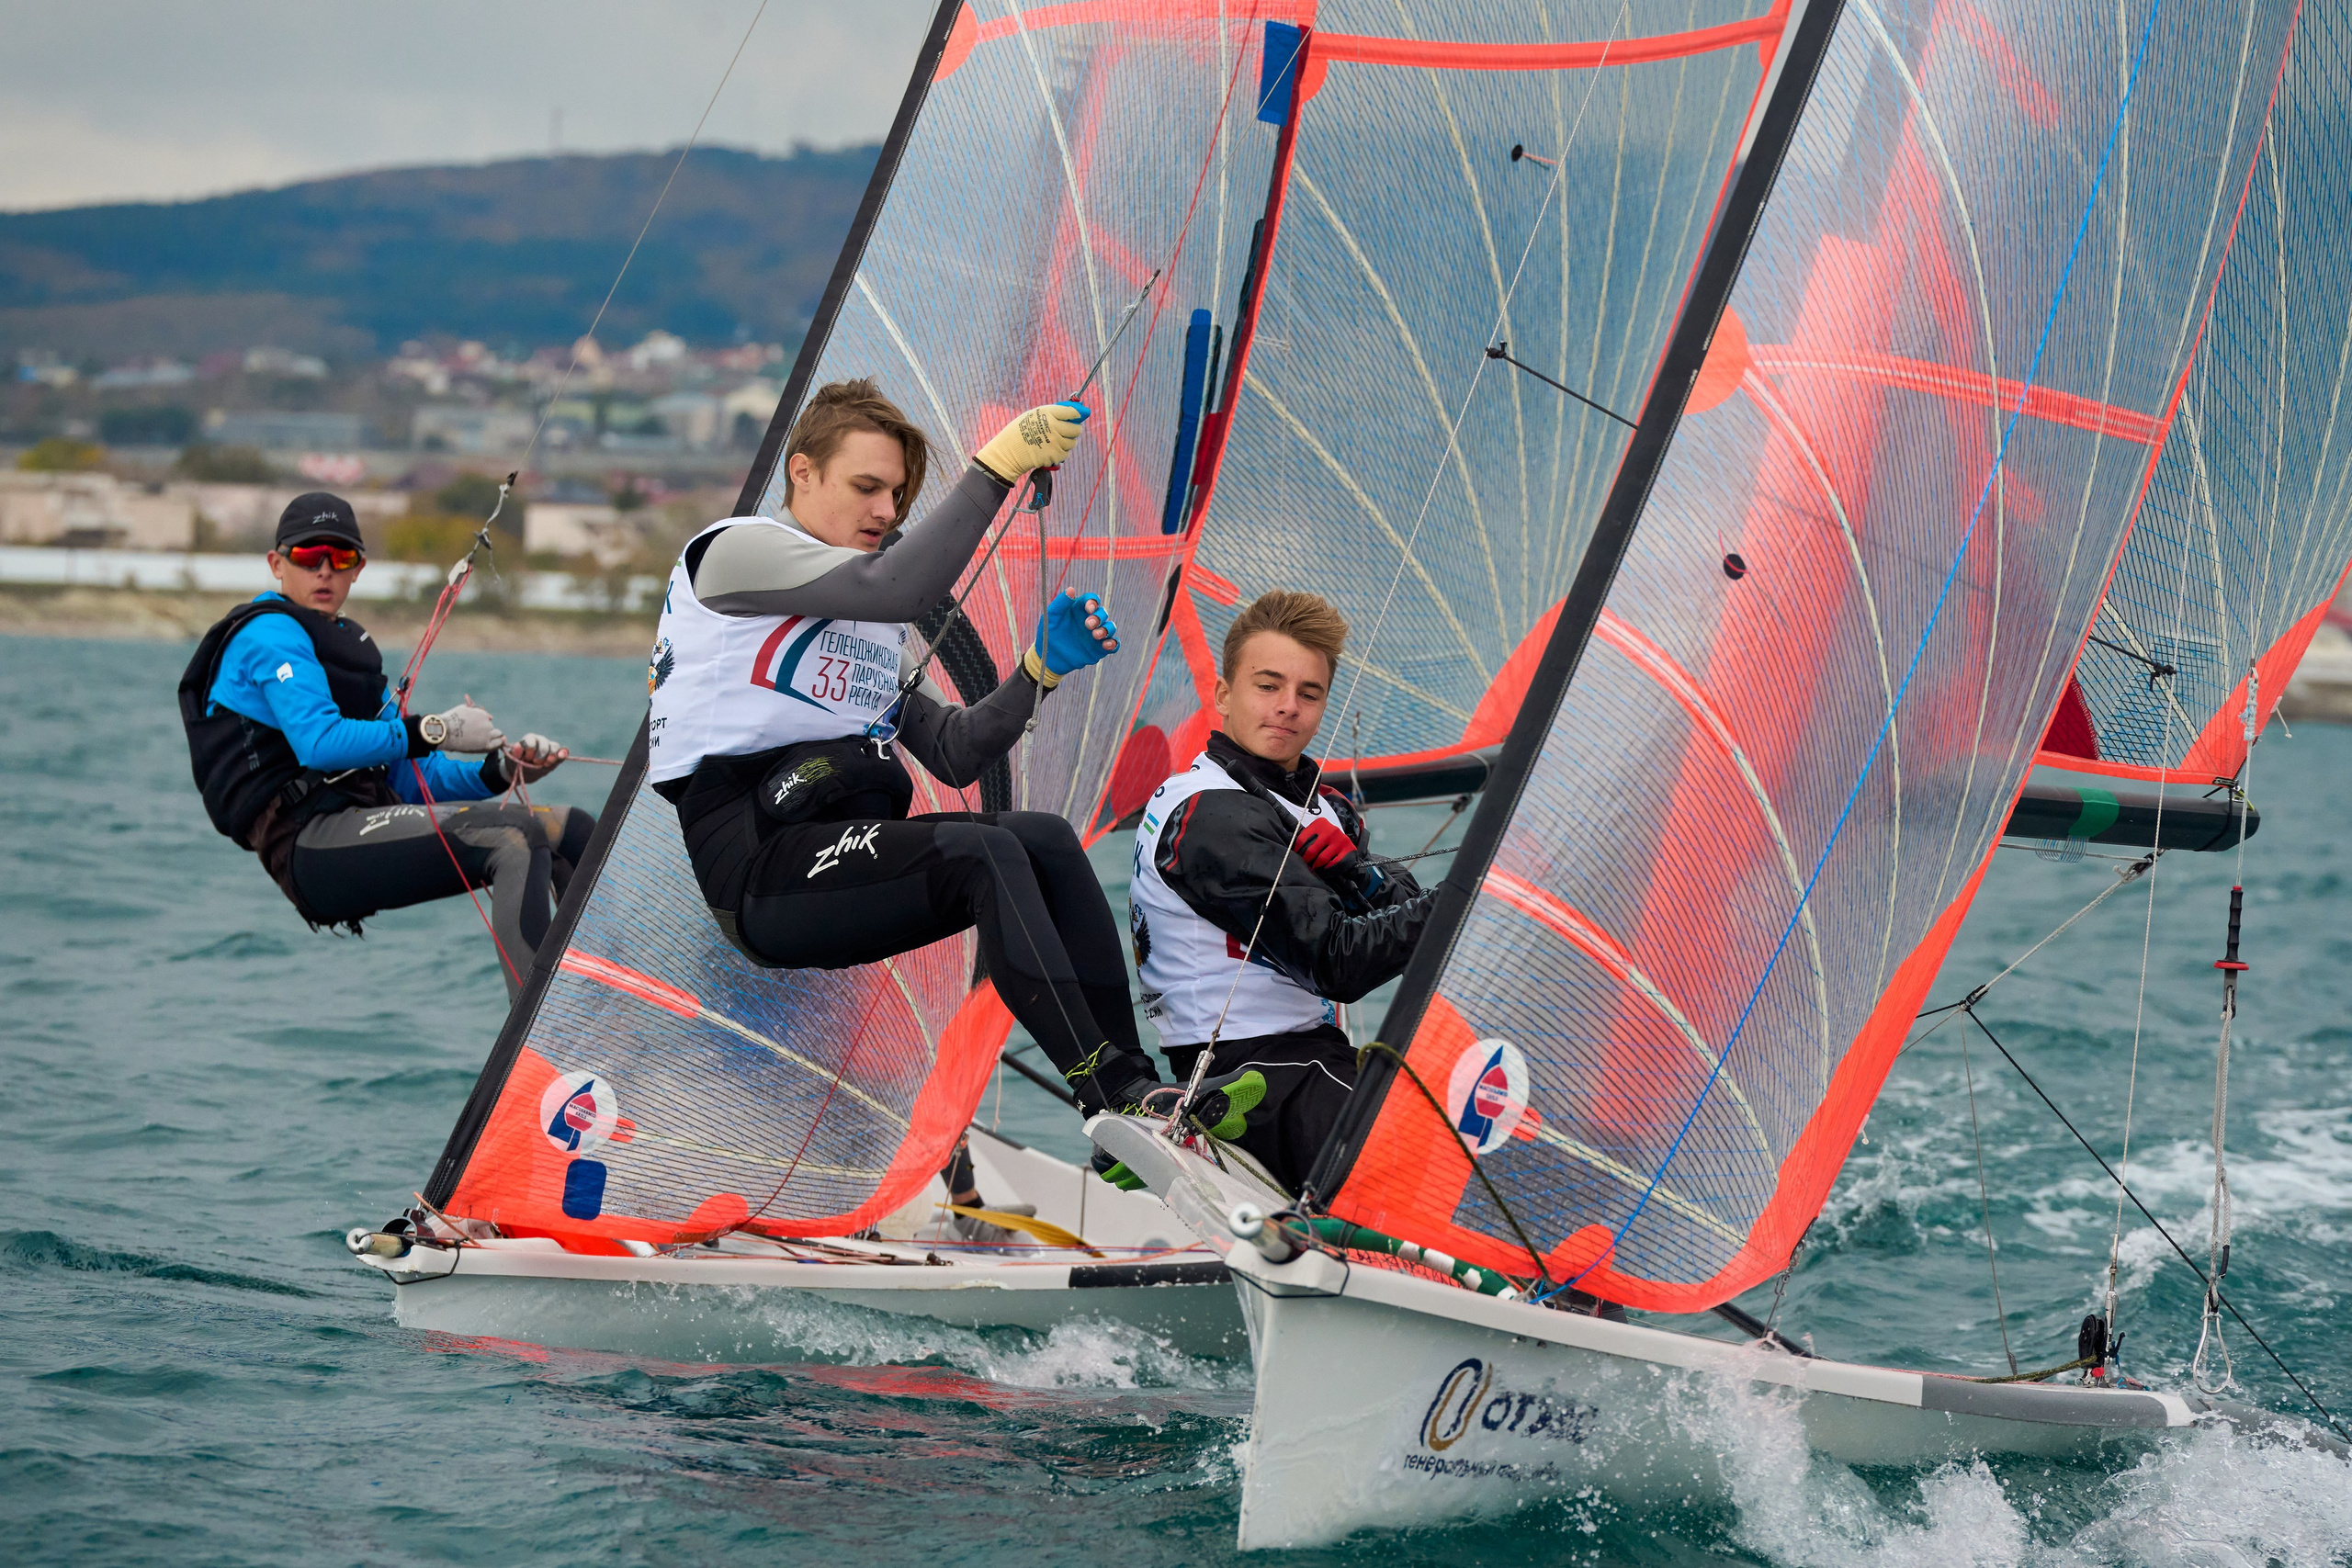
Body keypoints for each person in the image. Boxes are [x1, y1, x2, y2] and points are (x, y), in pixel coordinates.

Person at [646, 378, 1265, 1155]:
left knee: (1041, 838)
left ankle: (1134, 1089)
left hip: (839, 857)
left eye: (898, 496)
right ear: (801, 471)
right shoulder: (733, 550)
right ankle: (1106, 1090)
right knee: (986, 854)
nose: (885, 511)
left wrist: (1037, 671)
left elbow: (953, 751)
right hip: (758, 870)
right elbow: (899, 584)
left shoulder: (863, 623)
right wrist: (996, 469)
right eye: (866, 486)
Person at [178, 491, 593, 998]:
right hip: (310, 845)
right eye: (310, 557)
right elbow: (319, 744)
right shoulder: (267, 636)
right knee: (513, 839)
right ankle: (544, 1049)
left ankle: (620, 1013)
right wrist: (433, 729)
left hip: (360, 823)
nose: (325, 570)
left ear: (358, 569)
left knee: (571, 829)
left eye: (342, 558)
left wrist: (501, 771)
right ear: (277, 564)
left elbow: (415, 780)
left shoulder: (346, 653)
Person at [1124, 590, 1436, 1194]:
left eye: (1309, 693)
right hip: (1248, 1077)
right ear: (1223, 694)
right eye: (1268, 685)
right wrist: (1471, 897)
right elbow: (1338, 960)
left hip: (1311, 1061)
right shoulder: (1210, 813)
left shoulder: (1319, 802)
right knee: (1434, 1162)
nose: (1288, 707)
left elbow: (1404, 912)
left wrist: (1360, 873)